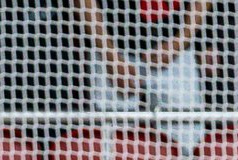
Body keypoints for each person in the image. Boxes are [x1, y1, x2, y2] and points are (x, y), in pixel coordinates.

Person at [79, 0, 210, 151]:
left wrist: (179, 42)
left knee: (187, 136)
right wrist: (111, 56)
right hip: (112, 48)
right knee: (109, 137)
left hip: (176, 50)